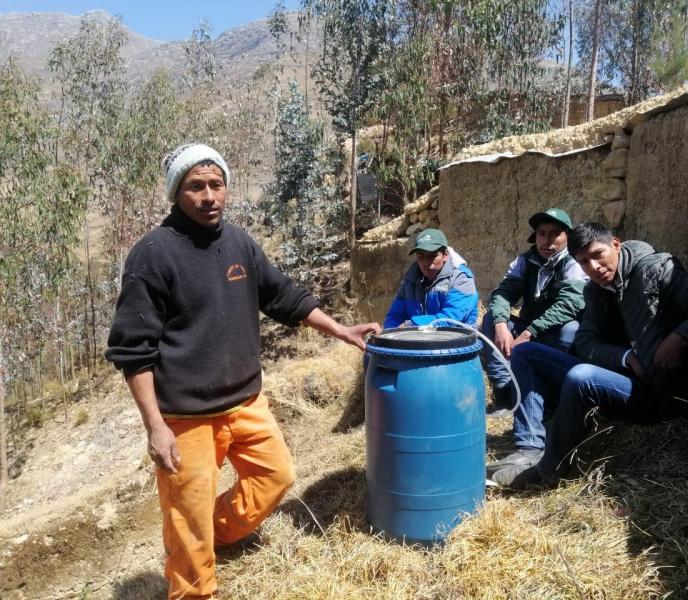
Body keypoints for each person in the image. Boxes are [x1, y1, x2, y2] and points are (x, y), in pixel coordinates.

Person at [105, 143, 381, 600]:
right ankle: (194, 583)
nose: (209, 196)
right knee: (186, 517)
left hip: (247, 402)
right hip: (186, 416)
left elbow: (284, 297)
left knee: (276, 477)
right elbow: (133, 351)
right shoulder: (152, 255)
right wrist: (156, 427)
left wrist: (343, 331)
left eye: (217, 185)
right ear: (177, 193)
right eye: (196, 186)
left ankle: (215, 535)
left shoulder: (238, 244)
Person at [489, 222, 688, 488]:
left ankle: (547, 472)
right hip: (624, 374)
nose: (594, 268)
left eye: (598, 255)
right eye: (584, 262)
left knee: (581, 376)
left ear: (616, 245)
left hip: (660, 390)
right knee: (526, 353)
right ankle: (529, 448)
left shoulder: (655, 271)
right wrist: (626, 357)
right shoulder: (595, 290)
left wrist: (679, 338)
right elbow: (586, 343)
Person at [481, 208, 587, 416]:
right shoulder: (526, 261)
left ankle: (553, 399)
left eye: (555, 234)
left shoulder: (574, 262)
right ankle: (506, 394)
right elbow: (503, 293)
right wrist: (501, 323)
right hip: (529, 331)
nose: (547, 240)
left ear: (567, 237)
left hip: (554, 333)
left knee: (571, 331)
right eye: (541, 233)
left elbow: (569, 305)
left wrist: (529, 332)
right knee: (490, 319)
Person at [383, 228, 479, 328]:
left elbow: (450, 319)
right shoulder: (411, 280)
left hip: (457, 340)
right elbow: (394, 316)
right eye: (421, 256)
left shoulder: (461, 279)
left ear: (445, 255)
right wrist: (389, 335)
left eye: (432, 256)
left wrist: (411, 325)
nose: (426, 262)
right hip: (418, 339)